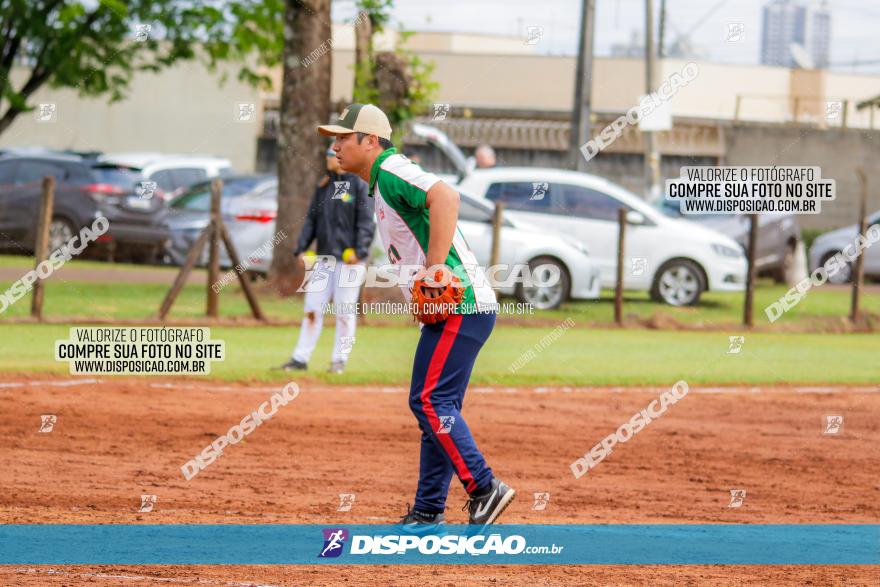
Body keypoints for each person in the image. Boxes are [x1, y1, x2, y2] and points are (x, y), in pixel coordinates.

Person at [317, 103, 515, 530]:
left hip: (462, 306)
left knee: (429, 402)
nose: (335, 145)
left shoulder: (391, 169)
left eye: (342, 137)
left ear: (370, 141)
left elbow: (446, 194)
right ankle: (428, 511)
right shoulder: (379, 183)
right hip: (458, 309)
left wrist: (436, 269)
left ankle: (485, 488)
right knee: (436, 411)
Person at [278, 147, 374, 375]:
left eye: (331, 155)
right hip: (324, 259)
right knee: (312, 309)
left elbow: (367, 222)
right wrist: (301, 248)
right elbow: (311, 220)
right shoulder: (324, 186)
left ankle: (339, 360)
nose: (328, 159)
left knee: (344, 312)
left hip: (349, 262)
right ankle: (300, 358)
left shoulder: (359, 185)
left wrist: (359, 252)